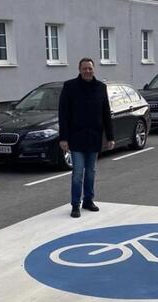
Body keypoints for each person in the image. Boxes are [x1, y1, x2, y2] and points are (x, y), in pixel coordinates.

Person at [59, 58, 115, 218]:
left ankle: (88, 200)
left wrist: (110, 137)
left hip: (94, 137)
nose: (87, 71)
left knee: (91, 172)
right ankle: (75, 204)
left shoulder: (101, 88)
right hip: (76, 138)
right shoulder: (70, 87)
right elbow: (63, 114)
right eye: (84, 68)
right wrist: (63, 138)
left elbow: (106, 114)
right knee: (77, 173)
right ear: (79, 69)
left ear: (94, 69)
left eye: (90, 68)